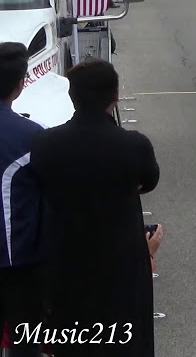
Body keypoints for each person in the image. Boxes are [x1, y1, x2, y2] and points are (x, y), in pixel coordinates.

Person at [30, 59, 160, 357]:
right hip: (121, 269)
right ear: (115, 96)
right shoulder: (134, 145)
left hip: (66, 266)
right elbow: (148, 181)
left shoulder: (46, 144)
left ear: (72, 96)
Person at [0, 43, 44, 357]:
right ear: (19, 86)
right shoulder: (33, 137)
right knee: (25, 346)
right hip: (20, 264)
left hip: (20, 263)